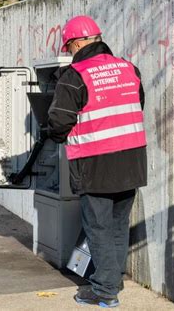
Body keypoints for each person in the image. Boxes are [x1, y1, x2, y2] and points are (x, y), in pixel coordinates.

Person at [47, 15, 147, 308]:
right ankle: (113, 280)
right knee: (118, 225)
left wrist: (55, 134)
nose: (69, 53)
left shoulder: (75, 76)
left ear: (76, 43)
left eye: (68, 48)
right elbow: (136, 104)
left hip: (95, 162)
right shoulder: (129, 68)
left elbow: (59, 121)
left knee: (99, 227)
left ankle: (104, 291)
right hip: (131, 159)